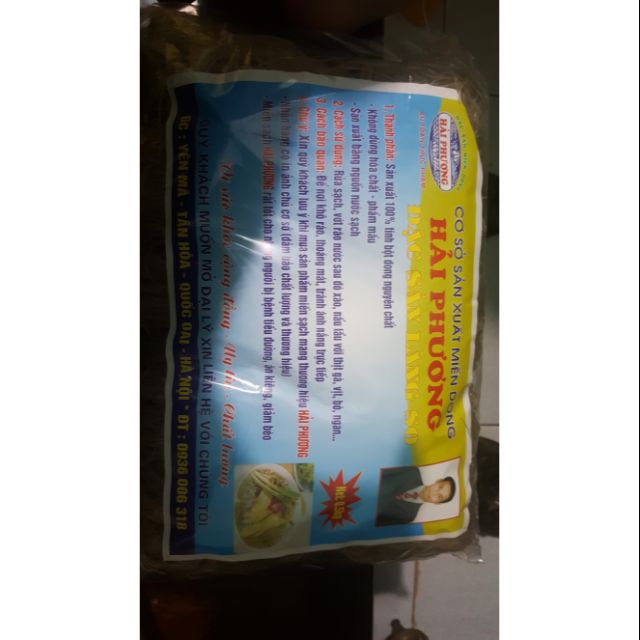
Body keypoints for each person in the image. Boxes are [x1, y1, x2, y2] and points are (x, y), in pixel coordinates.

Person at [375, 465, 456, 527]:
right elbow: (377, 470)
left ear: (436, 503)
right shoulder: (412, 471)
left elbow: (375, 524)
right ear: (438, 481)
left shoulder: (409, 517)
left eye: (439, 497)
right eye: (440, 487)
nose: (434, 493)